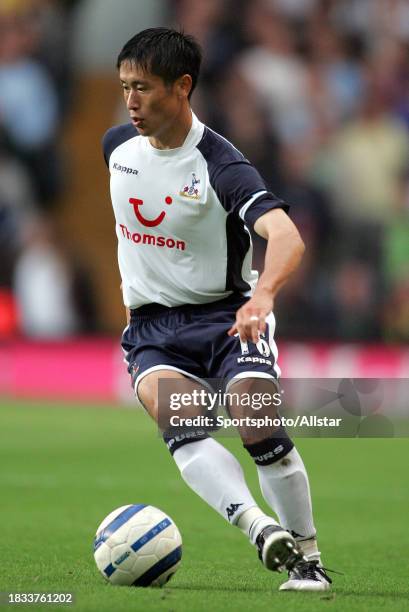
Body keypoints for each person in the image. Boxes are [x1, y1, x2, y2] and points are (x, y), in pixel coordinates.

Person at [103, 27, 332, 592]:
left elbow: (286, 238)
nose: (131, 101)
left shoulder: (221, 165)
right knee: (174, 413)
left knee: (254, 419)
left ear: (182, 87)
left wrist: (264, 295)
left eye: (145, 88)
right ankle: (260, 530)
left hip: (228, 315)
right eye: (125, 86)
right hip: (153, 326)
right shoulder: (115, 148)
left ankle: (309, 558)